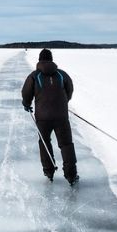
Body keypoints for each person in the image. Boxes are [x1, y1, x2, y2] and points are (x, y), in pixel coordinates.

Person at [21, 48, 79, 185]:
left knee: (44, 142)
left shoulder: (34, 75)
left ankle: (49, 171)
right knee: (66, 144)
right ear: (51, 59)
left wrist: (26, 104)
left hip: (42, 117)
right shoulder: (62, 74)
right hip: (61, 116)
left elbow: (26, 92)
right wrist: (64, 102)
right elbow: (69, 90)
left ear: (40, 60)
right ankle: (71, 175)